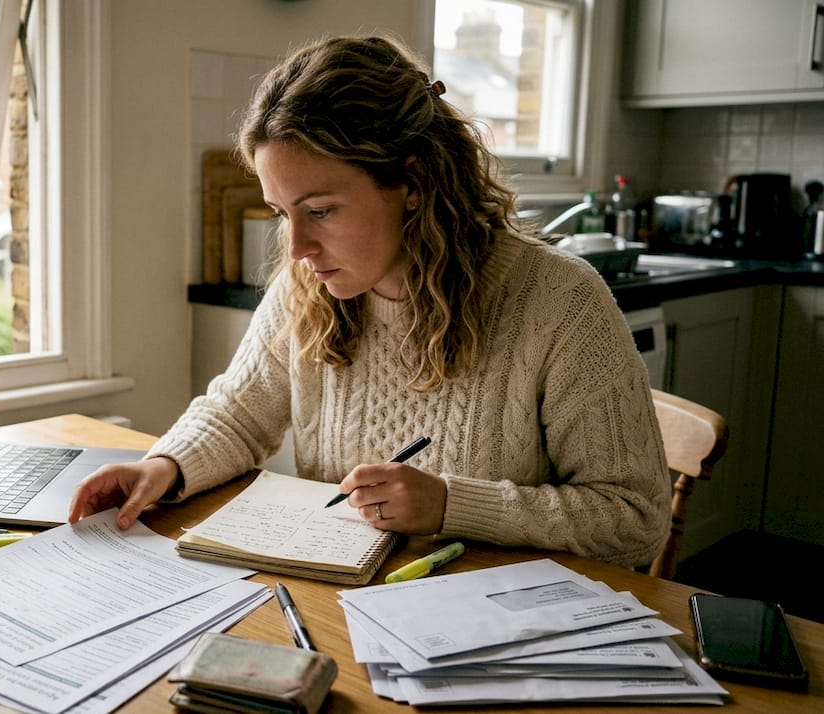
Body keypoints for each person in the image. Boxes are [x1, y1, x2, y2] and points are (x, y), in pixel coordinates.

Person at [68, 35, 671, 569]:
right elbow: (239, 413)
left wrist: (453, 506)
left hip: (490, 624)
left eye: (321, 210)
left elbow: (635, 521)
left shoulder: (558, 300)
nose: (298, 246)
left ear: (412, 183)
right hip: (341, 601)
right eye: (282, 213)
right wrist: (163, 467)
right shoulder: (310, 286)